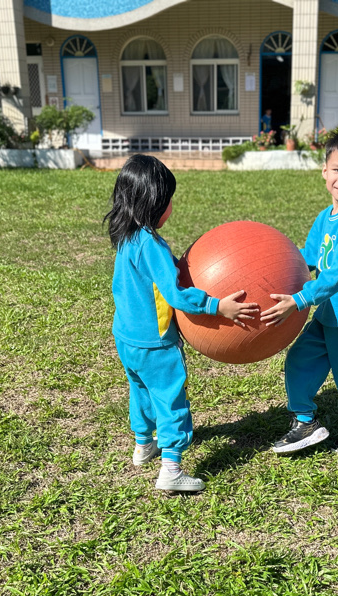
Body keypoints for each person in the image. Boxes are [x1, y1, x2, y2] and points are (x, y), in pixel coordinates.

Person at [104, 154, 258, 491]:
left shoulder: (127, 236)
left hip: (127, 338)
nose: (172, 205)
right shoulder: (151, 244)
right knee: (171, 400)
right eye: (169, 199)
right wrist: (218, 306)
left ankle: (143, 445)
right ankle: (171, 470)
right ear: (154, 203)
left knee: (141, 391)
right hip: (156, 343)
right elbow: (175, 295)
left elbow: (153, 274)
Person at [261, 125, 338, 456]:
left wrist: (299, 299)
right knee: (299, 361)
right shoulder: (325, 217)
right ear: (324, 171)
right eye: (337, 169)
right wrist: (278, 266)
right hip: (328, 312)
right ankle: (305, 421)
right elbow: (309, 258)